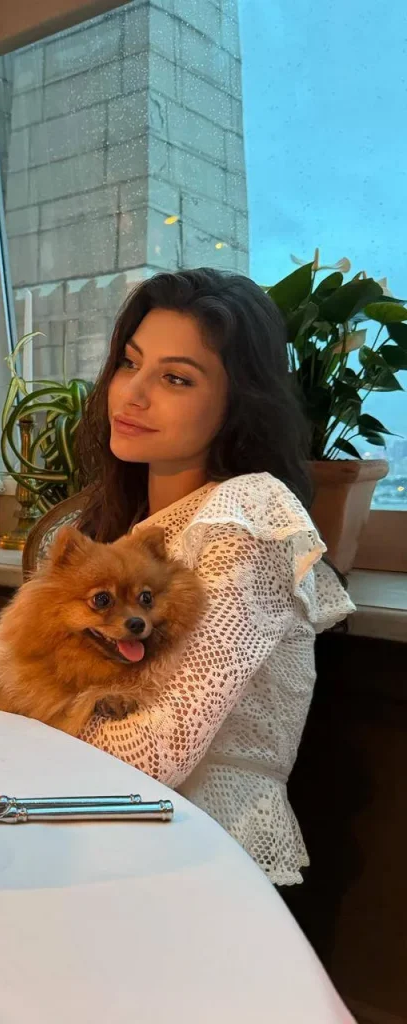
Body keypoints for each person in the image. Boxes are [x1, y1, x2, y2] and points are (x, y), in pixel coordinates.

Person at [73, 268, 354, 886]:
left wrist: (27, 725)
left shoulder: (247, 517)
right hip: (100, 819)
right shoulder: (131, 528)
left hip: (198, 848)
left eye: (175, 378)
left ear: (237, 404)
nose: (133, 393)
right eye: (129, 363)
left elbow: (161, 749)